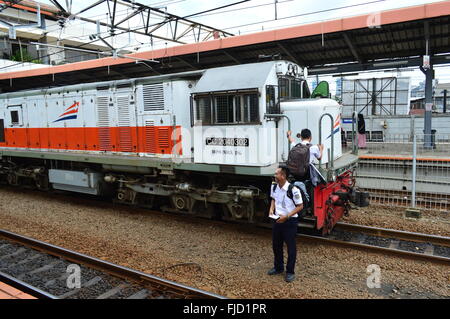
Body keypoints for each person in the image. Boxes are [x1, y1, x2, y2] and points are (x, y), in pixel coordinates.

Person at [267, 166, 304, 283]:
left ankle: (290, 272)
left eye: (276, 174)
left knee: (291, 247)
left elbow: (300, 206)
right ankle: (278, 267)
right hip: (278, 220)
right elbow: (273, 199)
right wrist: (271, 209)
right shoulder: (274, 186)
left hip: (289, 221)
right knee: (276, 245)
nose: (274, 175)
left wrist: (287, 216)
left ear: (283, 176)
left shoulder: (293, 190)